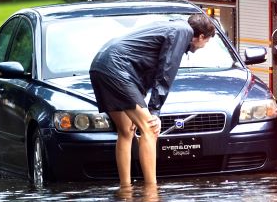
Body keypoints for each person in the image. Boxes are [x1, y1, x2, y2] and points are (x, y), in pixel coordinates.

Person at [89, 13, 215, 187]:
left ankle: (125, 188)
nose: (203, 46)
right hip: (116, 67)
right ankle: (151, 191)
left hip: (100, 65)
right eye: (206, 42)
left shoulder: (172, 27)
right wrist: (154, 110)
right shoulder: (182, 31)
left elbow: (145, 69)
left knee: (126, 130)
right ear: (201, 36)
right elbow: (166, 70)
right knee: (150, 127)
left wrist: (143, 102)